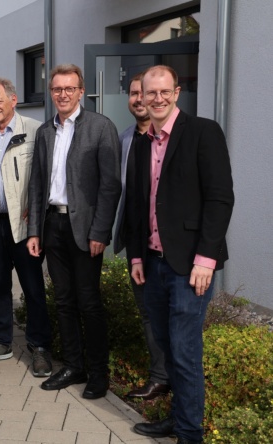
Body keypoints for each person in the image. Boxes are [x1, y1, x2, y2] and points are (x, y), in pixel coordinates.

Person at [128, 65, 234, 444]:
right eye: (148, 93)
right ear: (140, 96)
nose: (155, 99)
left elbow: (220, 199)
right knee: (168, 349)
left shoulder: (203, 132)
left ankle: (190, 434)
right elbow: (139, 205)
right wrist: (137, 257)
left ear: (176, 92)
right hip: (153, 264)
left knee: (186, 351)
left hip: (190, 266)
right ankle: (176, 419)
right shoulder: (143, 141)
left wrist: (206, 259)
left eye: (163, 92)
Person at [26, 64, 120, 399]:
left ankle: (98, 373)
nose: (63, 95)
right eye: (57, 89)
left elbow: (110, 187)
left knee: (89, 303)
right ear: (50, 92)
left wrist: (100, 232)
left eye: (69, 88)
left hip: (85, 230)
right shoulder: (45, 132)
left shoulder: (100, 127)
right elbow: (37, 184)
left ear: (81, 91)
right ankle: (73, 365)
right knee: (63, 301)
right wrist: (35, 230)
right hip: (53, 225)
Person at [0, 77, 52, 376]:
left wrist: (36, 219)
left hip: (24, 227)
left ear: (13, 100)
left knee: (33, 288)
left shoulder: (35, 131)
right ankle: (0, 341)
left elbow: (44, 179)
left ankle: (39, 346)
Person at [112, 72, 170, 401]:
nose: (139, 99)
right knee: (148, 312)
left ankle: (172, 378)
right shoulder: (124, 139)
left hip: (172, 248)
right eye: (134, 93)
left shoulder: (174, 138)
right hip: (139, 245)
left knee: (175, 316)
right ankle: (160, 377)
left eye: (144, 93)